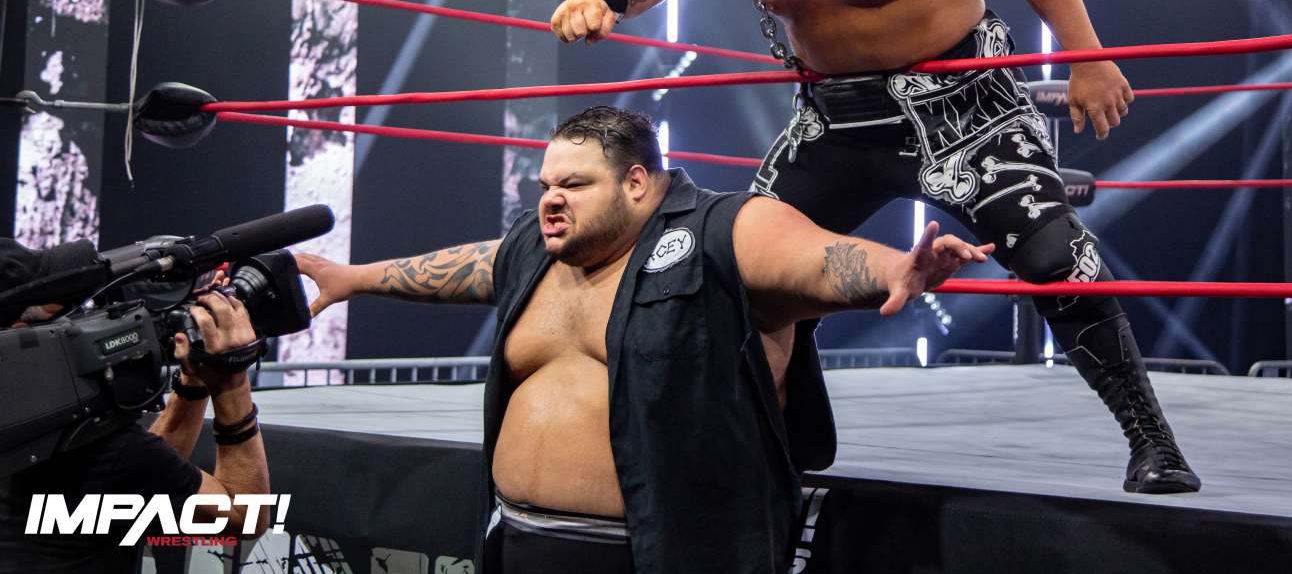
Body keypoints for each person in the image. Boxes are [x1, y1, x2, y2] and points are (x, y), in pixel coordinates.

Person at [548, 0, 1199, 494]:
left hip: (964, 109)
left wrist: (1087, 57)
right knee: (741, 266)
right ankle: (777, 438)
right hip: (834, 120)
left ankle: (1152, 441)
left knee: (1055, 255)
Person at [295, 105, 990, 574]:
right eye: (545, 183)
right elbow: (467, 266)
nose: (550, 198)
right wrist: (354, 278)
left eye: (573, 183)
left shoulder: (726, 227)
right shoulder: (537, 249)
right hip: (517, 541)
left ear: (635, 182)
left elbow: (813, 258)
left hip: (662, 555)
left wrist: (892, 268)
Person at [0, 269, 272, 574]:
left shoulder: (45, 441)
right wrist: (231, 381)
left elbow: (145, 476)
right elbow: (244, 516)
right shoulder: (99, 450)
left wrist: (194, 378)